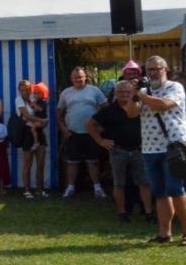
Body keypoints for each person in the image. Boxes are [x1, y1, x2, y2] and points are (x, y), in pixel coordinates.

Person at [136, 57, 186, 246]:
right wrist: (134, 95)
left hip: (173, 145)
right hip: (150, 148)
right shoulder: (144, 91)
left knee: (176, 189)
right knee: (160, 192)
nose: (152, 72)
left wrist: (142, 95)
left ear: (165, 69)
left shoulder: (175, 87)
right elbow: (131, 112)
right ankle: (164, 233)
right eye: (149, 69)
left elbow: (163, 105)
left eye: (156, 69)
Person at [87, 80, 152, 223]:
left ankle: (148, 213)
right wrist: (100, 141)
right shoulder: (108, 110)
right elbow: (90, 125)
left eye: (128, 92)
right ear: (115, 93)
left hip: (139, 149)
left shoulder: (140, 107)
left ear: (133, 93)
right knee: (119, 183)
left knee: (144, 182)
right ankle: (122, 213)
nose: (124, 94)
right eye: (121, 92)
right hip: (118, 151)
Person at [57, 67, 107, 200]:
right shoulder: (65, 93)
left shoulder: (95, 90)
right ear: (71, 79)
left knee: (93, 161)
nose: (78, 79)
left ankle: (97, 188)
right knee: (72, 162)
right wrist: (63, 128)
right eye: (75, 77)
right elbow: (59, 113)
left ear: (85, 77)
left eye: (80, 77)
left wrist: (101, 126)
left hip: (92, 133)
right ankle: (70, 188)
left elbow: (105, 108)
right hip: (72, 133)